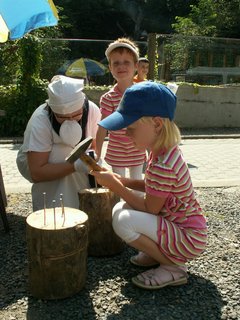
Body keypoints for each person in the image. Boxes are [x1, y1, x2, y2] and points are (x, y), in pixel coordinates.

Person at [91, 81, 207, 290]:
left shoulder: (163, 163)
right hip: (182, 227)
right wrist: (121, 180)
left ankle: (173, 267)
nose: (126, 134)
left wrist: (116, 186)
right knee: (120, 209)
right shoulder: (163, 151)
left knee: (123, 221)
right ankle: (158, 254)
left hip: (188, 238)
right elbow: (153, 187)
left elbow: (149, 208)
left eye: (131, 128)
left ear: (156, 124)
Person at [16, 75, 101, 211]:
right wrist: (74, 166)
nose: (70, 120)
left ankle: (82, 208)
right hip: (34, 162)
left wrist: (92, 161)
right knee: (63, 153)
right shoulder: (40, 119)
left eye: (76, 115)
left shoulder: (92, 110)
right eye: (62, 117)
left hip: (71, 161)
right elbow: (36, 172)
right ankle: (51, 209)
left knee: (77, 157)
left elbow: (93, 147)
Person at [96, 38, 146, 179]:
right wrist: (97, 152)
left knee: (137, 184)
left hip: (138, 147)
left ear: (136, 66)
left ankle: (135, 201)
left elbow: (150, 122)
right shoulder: (108, 98)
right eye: (116, 63)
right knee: (119, 185)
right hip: (117, 149)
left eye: (126, 62)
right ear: (110, 68)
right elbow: (102, 128)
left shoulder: (142, 94)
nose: (121, 66)